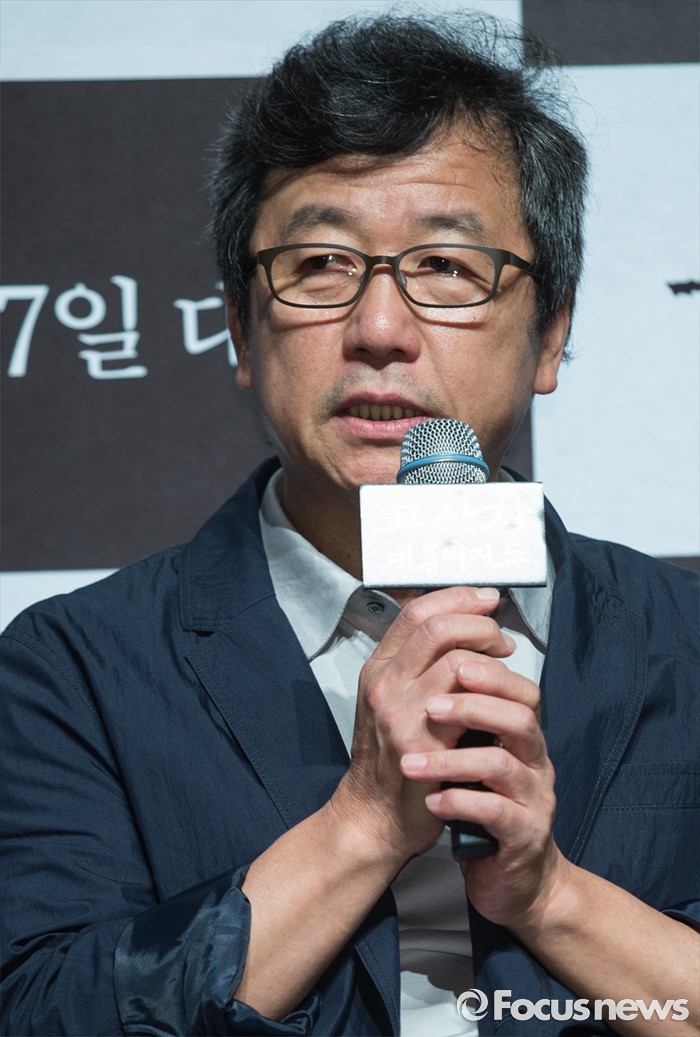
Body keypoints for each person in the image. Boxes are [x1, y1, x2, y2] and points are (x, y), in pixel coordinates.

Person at [1, 11, 698, 1037]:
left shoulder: (684, 639)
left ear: (550, 334)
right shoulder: (73, 668)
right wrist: (361, 824)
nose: (379, 329)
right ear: (241, 329)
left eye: (447, 266)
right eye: (320, 263)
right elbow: (40, 1012)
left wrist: (554, 899)